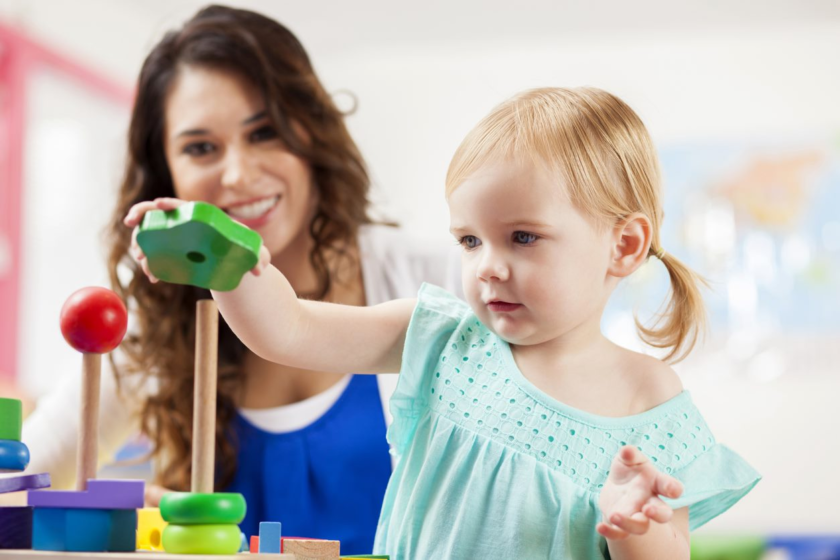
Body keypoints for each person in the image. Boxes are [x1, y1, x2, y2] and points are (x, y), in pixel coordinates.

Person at [130, 87, 761, 559]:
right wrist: (229, 263)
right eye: (468, 240)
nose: (488, 267)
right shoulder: (440, 336)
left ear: (623, 247)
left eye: (522, 237)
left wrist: (637, 527)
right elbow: (287, 330)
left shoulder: (650, 400)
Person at [20, 5, 460, 554]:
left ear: (312, 136)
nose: (237, 175)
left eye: (265, 132)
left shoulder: (444, 284)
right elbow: (22, 480)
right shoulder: (155, 332)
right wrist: (125, 518)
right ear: (167, 173)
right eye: (201, 147)